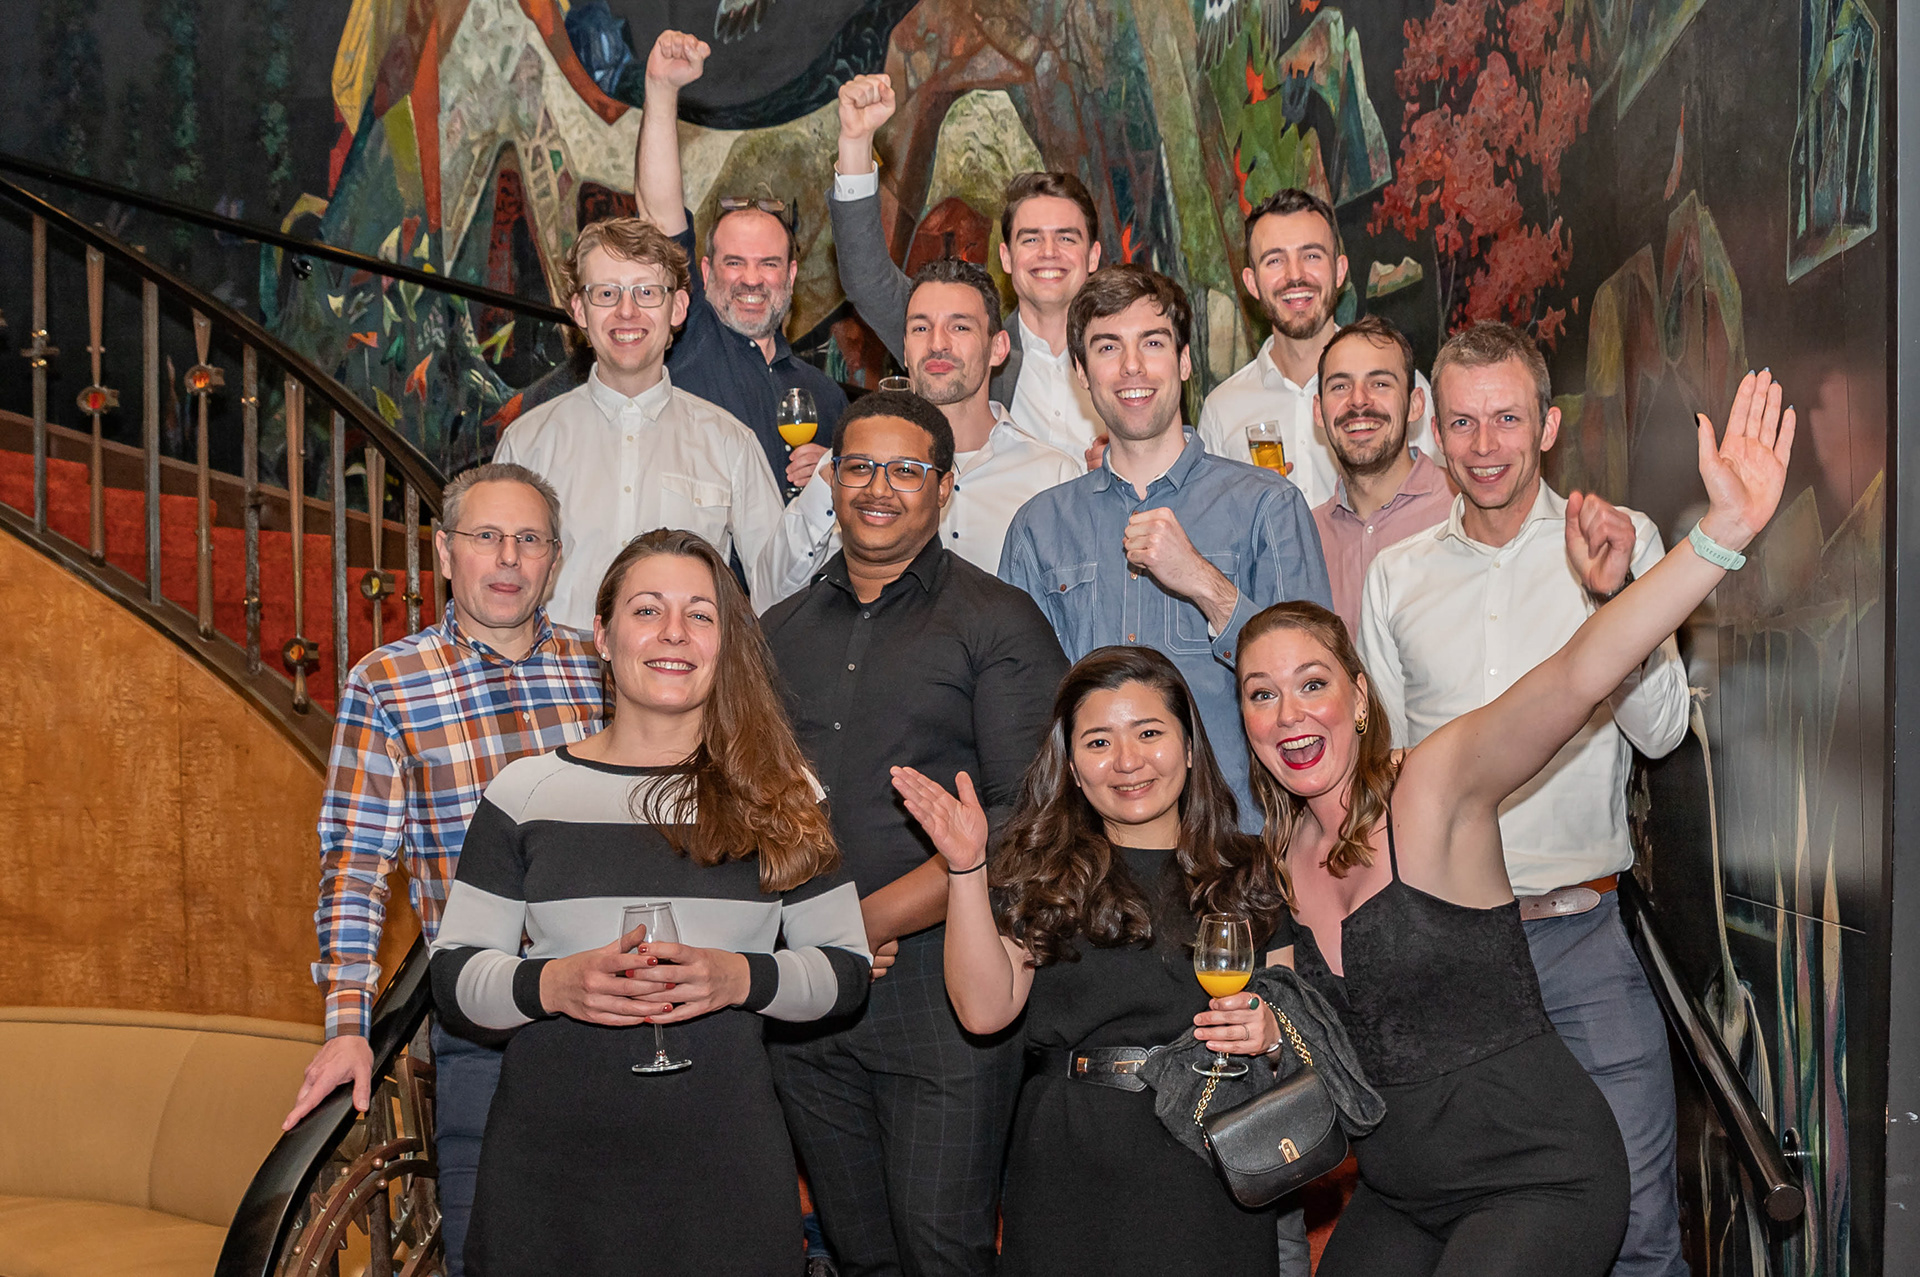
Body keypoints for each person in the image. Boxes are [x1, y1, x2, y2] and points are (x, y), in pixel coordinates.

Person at [1236, 369, 1795, 1275]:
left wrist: (1720, 536)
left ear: (1361, 697)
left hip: (1538, 1177)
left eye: (1312, 684)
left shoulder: (1433, 786)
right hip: (1404, 1193)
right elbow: (1312, 1032)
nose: (1291, 714)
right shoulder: (1279, 857)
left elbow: (1578, 674)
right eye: (1262, 694)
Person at [429, 528, 872, 1276]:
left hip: (723, 1169)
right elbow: (454, 976)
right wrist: (552, 985)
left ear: (727, 644)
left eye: (701, 614)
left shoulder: (781, 793)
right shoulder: (524, 791)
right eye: (647, 610)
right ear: (603, 636)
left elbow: (846, 971)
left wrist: (739, 977)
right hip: (550, 1170)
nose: (674, 632)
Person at [1356, 322, 1692, 1277]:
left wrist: (1612, 594)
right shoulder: (1396, 576)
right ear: (1434, 432)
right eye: (1463, 422)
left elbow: (1663, 732)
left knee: (1640, 1230)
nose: (1485, 444)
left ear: (1547, 426)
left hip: (1583, 937)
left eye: (1507, 418)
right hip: (1449, 960)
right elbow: (1382, 778)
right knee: (1475, 1222)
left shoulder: (1620, 540)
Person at [760, 391, 1069, 1277]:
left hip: (943, 991)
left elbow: (1026, 817)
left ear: (944, 486)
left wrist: (874, 919)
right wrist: (810, 932)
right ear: (831, 480)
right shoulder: (777, 630)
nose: (878, 487)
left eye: (905, 469)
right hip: (807, 994)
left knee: (943, 1249)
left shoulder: (998, 620)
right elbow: (747, 803)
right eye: (859, 467)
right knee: (859, 1251)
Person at [285, 463, 605, 1277]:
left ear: (555, 557)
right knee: (488, 1252)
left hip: (612, 1016)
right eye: (486, 536)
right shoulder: (386, 683)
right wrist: (348, 1024)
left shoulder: (600, 668)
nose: (509, 558)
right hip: (483, 1032)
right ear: (444, 551)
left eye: (530, 539)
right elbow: (356, 864)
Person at [890, 646, 1296, 1276]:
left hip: (1213, 1157)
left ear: (1190, 748)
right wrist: (967, 868)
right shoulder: (1044, 871)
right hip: (1069, 1164)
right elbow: (982, 1012)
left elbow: (1296, 1030)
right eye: (1099, 742)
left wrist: (1270, 1033)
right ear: (1074, 768)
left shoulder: (1248, 871)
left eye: (1150, 733)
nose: (1127, 761)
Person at [1000, 264, 1331, 831]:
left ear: (1183, 361)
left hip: (1239, 840)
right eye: (1108, 347)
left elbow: (1319, 683)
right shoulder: (1039, 528)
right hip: (1088, 851)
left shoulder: (1268, 506)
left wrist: (1202, 581)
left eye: (1152, 343)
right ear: (1080, 372)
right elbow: (1021, 711)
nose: (1132, 366)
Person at [494, 216, 784, 626]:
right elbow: (496, 581)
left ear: (677, 308)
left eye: (647, 293)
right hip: (557, 666)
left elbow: (780, 589)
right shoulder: (527, 443)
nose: (626, 311)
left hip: (685, 666)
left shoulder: (730, 444)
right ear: (579, 309)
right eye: (606, 293)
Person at [763, 258, 1081, 599]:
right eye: (920, 328)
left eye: (960, 327)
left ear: (998, 348)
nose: (937, 343)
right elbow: (770, 597)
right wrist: (828, 482)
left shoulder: (1052, 476)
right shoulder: (849, 469)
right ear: (904, 349)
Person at [832, 72, 1106, 461]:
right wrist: (856, 143)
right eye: (1030, 239)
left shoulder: (1125, 359)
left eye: (1066, 238)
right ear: (1006, 257)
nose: (1048, 252)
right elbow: (868, 280)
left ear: (1093, 256)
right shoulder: (968, 342)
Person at [635, 30, 849, 494]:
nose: (751, 279)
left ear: (790, 276)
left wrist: (836, 481)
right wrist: (661, 90)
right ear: (705, 273)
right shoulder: (689, 341)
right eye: (734, 263)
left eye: (769, 264)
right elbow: (656, 219)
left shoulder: (827, 397)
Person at [1198, 189, 1434, 506]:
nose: (1295, 276)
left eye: (1311, 256)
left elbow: (1439, 507)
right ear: (1252, 283)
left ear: (1339, 271)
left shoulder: (1399, 387)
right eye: (1275, 260)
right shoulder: (1222, 412)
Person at [1308, 315, 1452, 636]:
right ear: (1318, 411)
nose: (1358, 400)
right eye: (1340, 386)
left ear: (1415, 405)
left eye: (1380, 384)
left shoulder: (1461, 510)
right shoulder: (1306, 537)